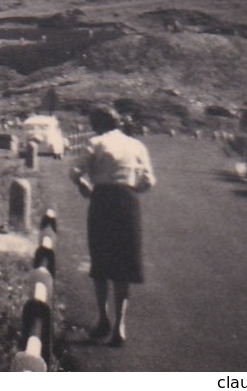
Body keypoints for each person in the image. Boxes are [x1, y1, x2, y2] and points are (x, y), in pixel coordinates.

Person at [69, 105, 156, 347]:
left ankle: (102, 318)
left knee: (101, 261)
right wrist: (129, 189)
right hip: (128, 204)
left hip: (102, 202)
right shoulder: (137, 145)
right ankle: (120, 325)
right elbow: (148, 181)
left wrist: (83, 184)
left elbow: (74, 171)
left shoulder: (96, 143)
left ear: (97, 125)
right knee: (124, 264)